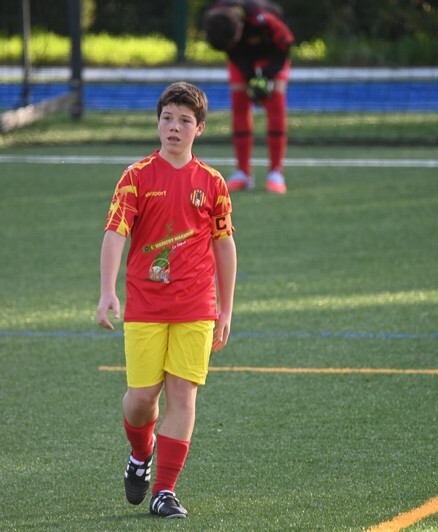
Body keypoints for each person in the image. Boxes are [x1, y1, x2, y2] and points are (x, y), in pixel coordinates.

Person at [96, 81, 237, 519]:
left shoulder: (212, 183)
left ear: (200, 129)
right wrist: (107, 291)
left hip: (196, 306)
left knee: (183, 394)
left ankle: (164, 490)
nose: (174, 127)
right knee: (142, 398)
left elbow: (224, 244)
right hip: (146, 306)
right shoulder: (136, 177)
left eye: (184, 120)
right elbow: (115, 233)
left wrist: (226, 308)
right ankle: (141, 453)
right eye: (167, 118)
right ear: (158, 123)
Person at [204, 0, 294, 194]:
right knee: (239, 105)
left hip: (273, 54)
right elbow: (232, 52)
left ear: (240, 28)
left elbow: (285, 44)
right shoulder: (217, 20)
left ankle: (276, 173)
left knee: (275, 104)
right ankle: (243, 173)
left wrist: (266, 77)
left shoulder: (262, 18)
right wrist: (250, 77)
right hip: (243, 59)